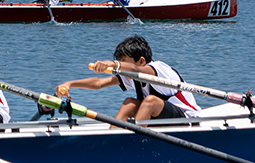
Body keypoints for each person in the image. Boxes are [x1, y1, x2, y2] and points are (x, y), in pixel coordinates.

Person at [54, 35, 200, 121]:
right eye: (119, 61)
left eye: (123, 61)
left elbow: (135, 69)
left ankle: (136, 140)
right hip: (161, 119)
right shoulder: (131, 75)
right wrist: (69, 84)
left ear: (141, 60)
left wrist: (113, 64)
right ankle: (114, 135)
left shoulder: (159, 68)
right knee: (130, 103)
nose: (121, 66)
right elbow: (99, 83)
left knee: (150, 101)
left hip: (187, 119)